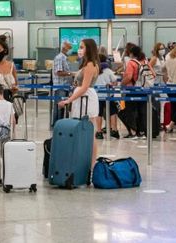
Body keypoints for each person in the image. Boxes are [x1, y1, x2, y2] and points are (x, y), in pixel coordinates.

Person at [58, 39, 100, 183]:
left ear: (89, 48)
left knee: (90, 133)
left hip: (86, 100)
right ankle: (85, 165)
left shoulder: (89, 65)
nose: (79, 50)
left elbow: (84, 87)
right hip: (83, 98)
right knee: (85, 132)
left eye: (82, 47)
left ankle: (92, 166)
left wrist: (68, 100)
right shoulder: (88, 65)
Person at [121, 46, 153, 139]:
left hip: (133, 89)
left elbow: (129, 77)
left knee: (130, 111)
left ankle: (133, 132)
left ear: (131, 53)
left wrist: (122, 83)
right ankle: (141, 132)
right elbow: (153, 74)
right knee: (141, 111)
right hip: (144, 89)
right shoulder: (146, 61)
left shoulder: (132, 63)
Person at [95, 53, 119, 140]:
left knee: (99, 113)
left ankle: (99, 132)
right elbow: (115, 82)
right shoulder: (108, 70)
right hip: (109, 95)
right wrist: (111, 84)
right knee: (113, 112)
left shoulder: (95, 70)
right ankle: (115, 130)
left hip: (98, 95)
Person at [52, 41, 75, 126]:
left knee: (63, 108)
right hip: (60, 87)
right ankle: (57, 125)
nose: (71, 50)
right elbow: (59, 72)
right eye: (70, 48)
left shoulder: (65, 58)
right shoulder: (59, 58)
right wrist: (71, 74)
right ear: (64, 48)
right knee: (59, 108)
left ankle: (61, 125)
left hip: (65, 86)